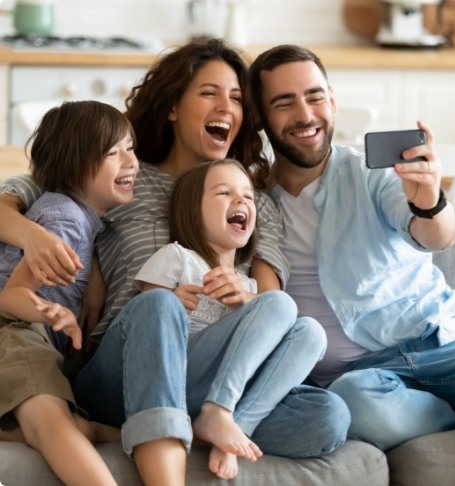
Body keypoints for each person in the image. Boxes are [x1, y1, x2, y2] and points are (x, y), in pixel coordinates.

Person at [0, 39, 350, 486]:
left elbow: (273, 304)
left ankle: (210, 422)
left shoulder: (253, 198)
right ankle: (165, 432)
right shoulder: (121, 175)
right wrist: (48, 244)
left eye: (238, 98)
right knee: (158, 305)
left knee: (327, 415)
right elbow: (36, 192)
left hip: (210, 371)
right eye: (209, 93)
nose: (227, 106)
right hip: (124, 362)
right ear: (172, 107)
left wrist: (245, 294)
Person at [248, 44, 455, 452]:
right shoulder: (250, 202)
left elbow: (436, 234)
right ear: (260, 117)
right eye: (284, 103)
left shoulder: (369, 173)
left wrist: (429, 197)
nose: (305, 115)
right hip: (363, 379)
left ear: (333, 102)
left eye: (315, 96)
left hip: (441, 342)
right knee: (355, 404)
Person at [134, 158, 326, 479]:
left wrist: (249, 301)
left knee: (312, 332)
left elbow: (282, 331)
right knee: (278, 303)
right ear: (193, 212)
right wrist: (170, 302)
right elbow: (144, 320)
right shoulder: (178, 257)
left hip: (230, 392)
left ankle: (231, 427)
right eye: (224, 193)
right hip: (176, 378)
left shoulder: (249, 285)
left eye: (248, 196)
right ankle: (217, 414)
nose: (241, 200)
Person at [0, 100, 139, 485]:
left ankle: (89, 430)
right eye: (113, 152)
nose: (130, 161)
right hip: (13, 329)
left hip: (29, 336)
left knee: (47, 418)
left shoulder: (82, 220)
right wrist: (48, 312)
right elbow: (9, 297)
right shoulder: (64, 219)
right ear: (74, 164)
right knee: (50, 422)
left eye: (131, 147)